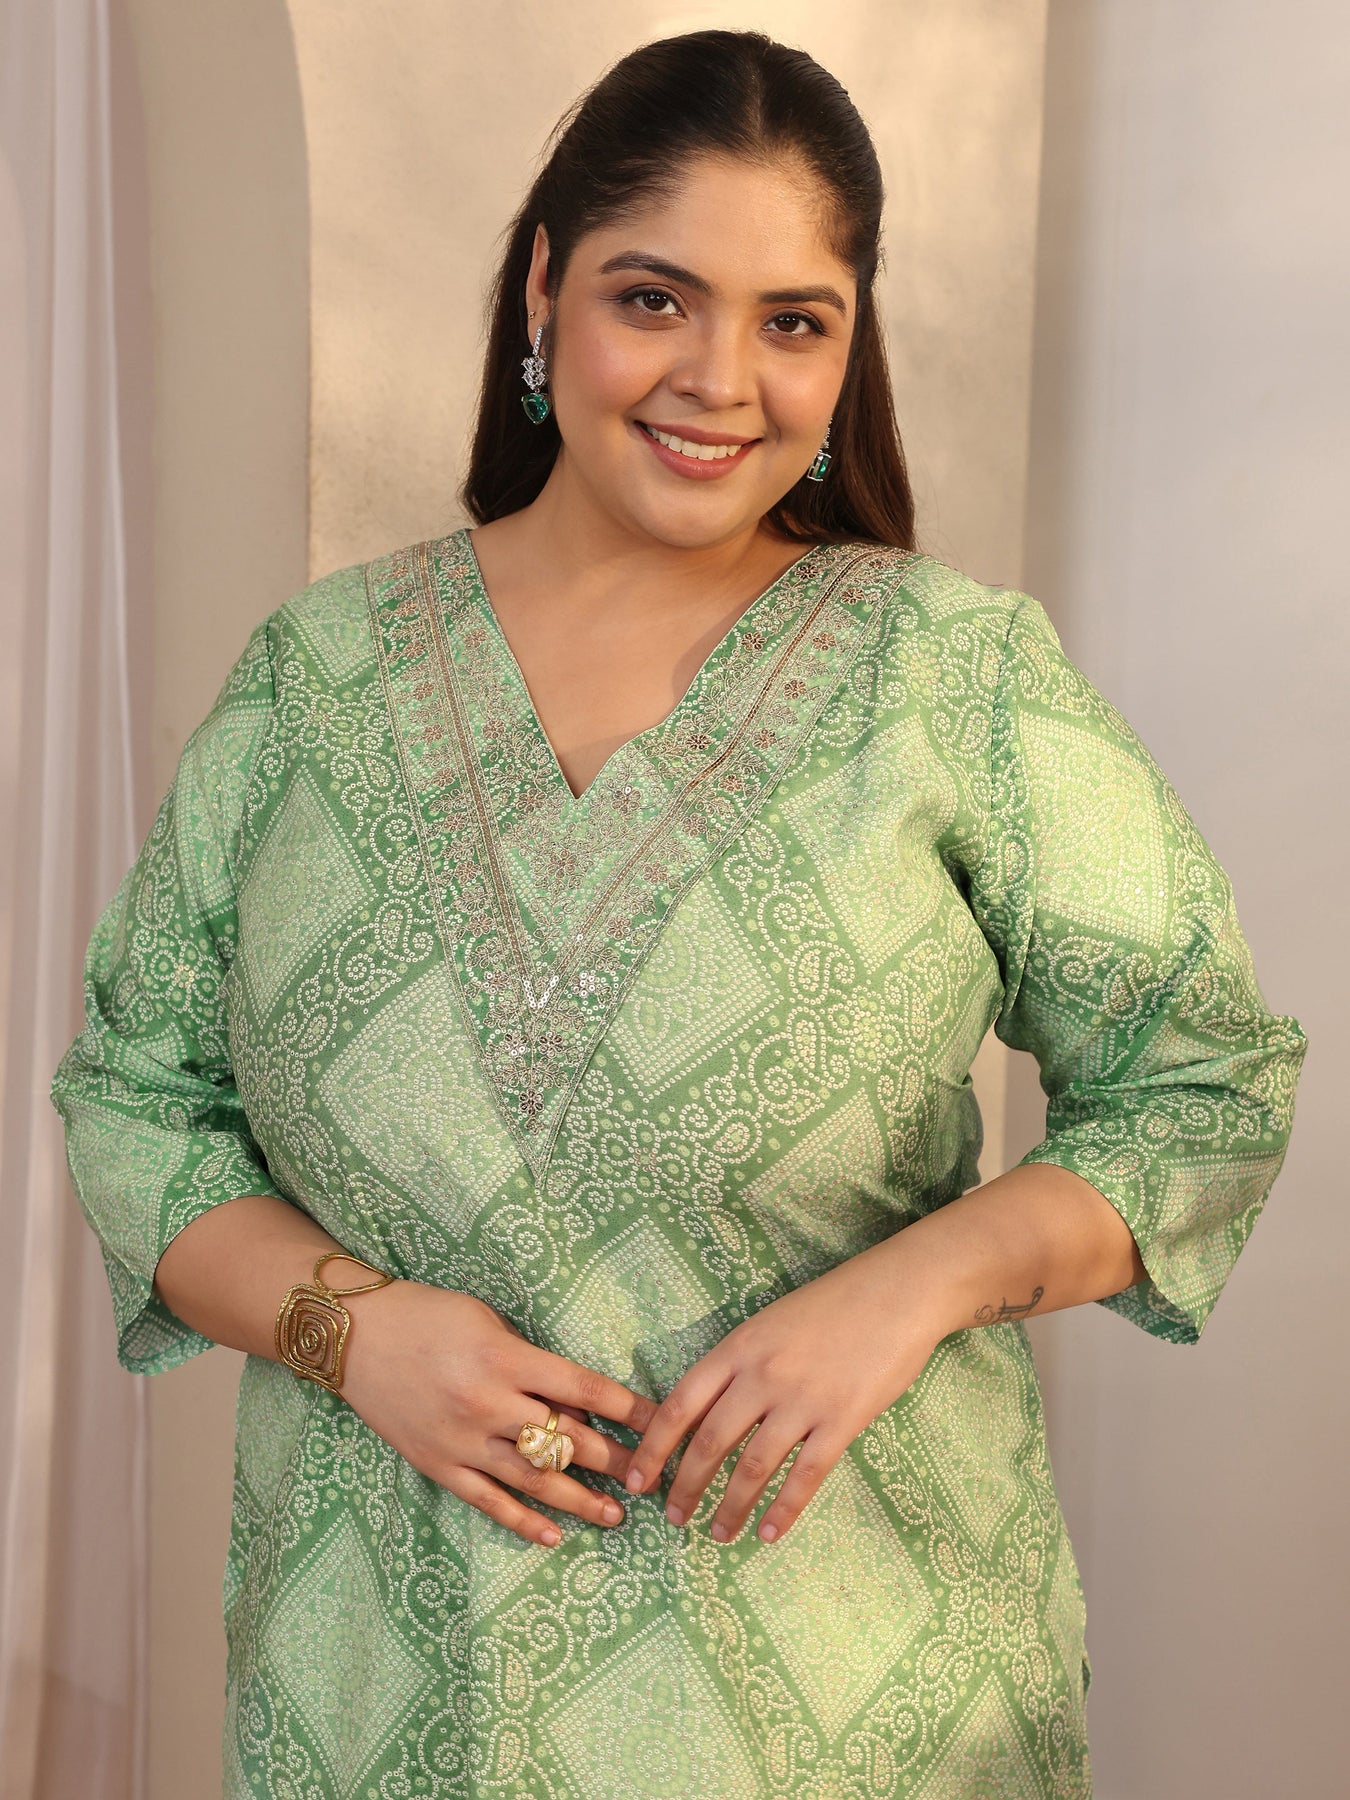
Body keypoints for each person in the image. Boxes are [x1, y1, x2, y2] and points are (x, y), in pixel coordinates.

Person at [50, 28, 1306, 1799]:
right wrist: (352, 1328)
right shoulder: (315, 680)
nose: (720, 380)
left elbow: (1201, 1085)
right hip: (387, 1691)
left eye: (793, 320)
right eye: (656, 299)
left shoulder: (950, 675)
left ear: (847, 350)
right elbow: (135, 1100)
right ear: (543, 289)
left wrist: (909, 1290)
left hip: (855, 1698)